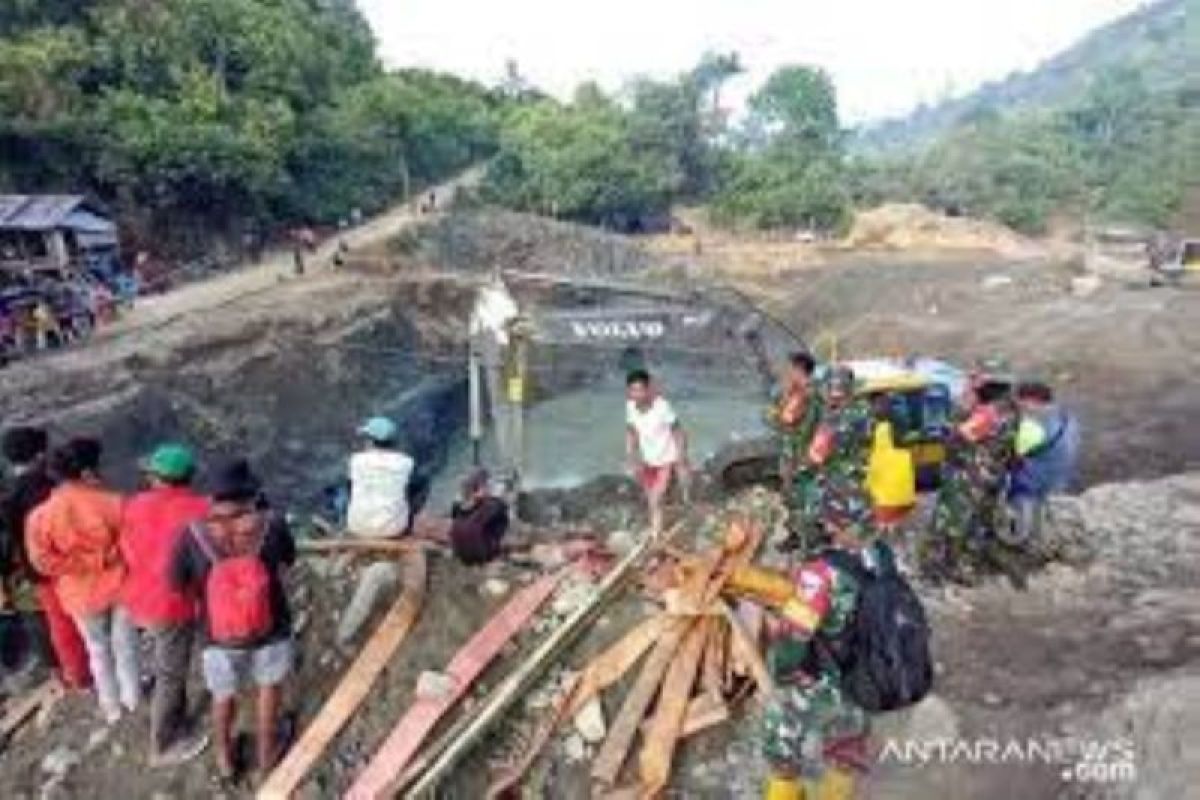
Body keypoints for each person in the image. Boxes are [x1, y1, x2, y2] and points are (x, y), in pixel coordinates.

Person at [171, 459, 295, 782]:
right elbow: (288, 561)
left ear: (213, 497)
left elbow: (176, 583)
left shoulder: (193, 533)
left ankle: (224, 759)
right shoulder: (272, 524)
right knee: (269, 687)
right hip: (272, 626)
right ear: (249, 492)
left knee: (223, 695)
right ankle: (268, 754)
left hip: (217, 634)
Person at [27, 438, 135, 723]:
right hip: (119, 584)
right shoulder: (113, 502)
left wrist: (82, 564)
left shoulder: (39, 517)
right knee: (124, 645)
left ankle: (111, 708)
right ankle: (133, 698)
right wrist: (102, 560)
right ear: (86, 470)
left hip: (77, 594)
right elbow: (132, 547)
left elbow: (42, 562)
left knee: (96, 650)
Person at [120, 444, 210, 765]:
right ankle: (163, 745)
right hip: (172, 604)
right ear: (189, 478)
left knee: (166, 663)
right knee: (171, 673)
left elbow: (127, 549)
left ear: (158, 478)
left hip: (136, 597)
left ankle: (177, 718)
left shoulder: (133, 505)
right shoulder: (201, 509)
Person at [0, 427, 91, 689]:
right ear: (39, 455)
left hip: (33, 569)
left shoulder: (8, 496)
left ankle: (72, 675)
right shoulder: (50, 487)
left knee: (53, 623)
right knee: (80, 618)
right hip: (68, 565)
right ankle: (90, 669)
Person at [921, 375, 1019, 584]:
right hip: (993, 476)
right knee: (979, 524)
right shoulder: (1011, 410)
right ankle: (968, 566)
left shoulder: (987, 415)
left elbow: (953, 439)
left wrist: (960, 409)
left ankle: (940, 569)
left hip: (970, 479)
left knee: (951, 522)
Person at [808, 366, 878, 545]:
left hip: (840, 484)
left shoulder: (838, 417)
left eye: (830, 389)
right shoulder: (864, 410)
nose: (827, 395)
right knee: (861, 523)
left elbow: (817, 454)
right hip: (856, 479)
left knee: (842, 529)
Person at [1006, 382, 1079, 544]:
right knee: (1039, 509)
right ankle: (1038, 534)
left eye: (1020, 401)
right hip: (1059, 479)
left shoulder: (1032, 425)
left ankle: (1020, 538)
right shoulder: (1066, 417)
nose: (1018, 405)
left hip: (1034, 481)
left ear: (1032, 400)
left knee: (1008, 484)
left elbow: (1012, 454)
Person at [766, 352, 823, 553]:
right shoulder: (810, 392)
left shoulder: (804, 395)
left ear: (799, 369)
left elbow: (783, 421)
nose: (787, 373)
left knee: (798, 498)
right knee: (799, 497)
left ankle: (806, 540)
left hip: (799, 457)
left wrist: (780, 403)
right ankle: (800, 535)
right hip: (801, 454)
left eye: (790, 368)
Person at [625, 369, 690, 538]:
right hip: (648, 461)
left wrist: (682, 459)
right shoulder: (630, 407)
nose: (636, 394)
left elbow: (679, 431)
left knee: (656, 498)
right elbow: (631, 432)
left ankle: (656, 533)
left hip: (666, 460)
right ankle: (662, 522)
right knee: (652, 498)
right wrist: (631, 457)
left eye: (640, 390)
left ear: (648, 389)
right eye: (633, 390)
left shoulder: (662, 406)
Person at [346, 417, 416, 539]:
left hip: (357, 526)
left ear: (370, 441)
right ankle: (404, 521)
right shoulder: (406, 463)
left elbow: (350, 488)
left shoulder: (356, 460)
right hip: (394, 529)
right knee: (416, 485)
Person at [448, 468, 510, 565]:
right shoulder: (491, 505)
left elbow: (457, 513)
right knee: (500, 518)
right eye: (487, 484)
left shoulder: (457, 506)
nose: (489, 487)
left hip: (459, 552)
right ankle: (493, 548)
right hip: (481, 553)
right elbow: (502, 508)